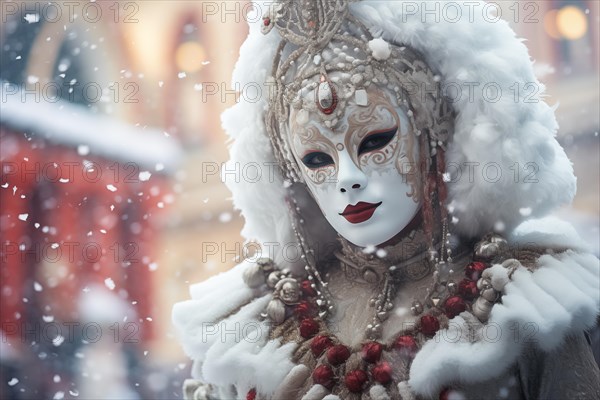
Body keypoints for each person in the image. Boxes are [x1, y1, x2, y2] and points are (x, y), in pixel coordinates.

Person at [172, 1, 600, 399]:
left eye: (375, 140)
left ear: (434, 135)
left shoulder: (522, 305)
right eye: (317, 158)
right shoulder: (253, 328)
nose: (348, 180)